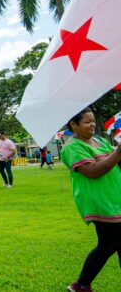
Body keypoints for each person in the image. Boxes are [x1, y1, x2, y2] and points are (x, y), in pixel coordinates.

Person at [61, 108, 121, 292]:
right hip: (100, 203)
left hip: (115, 198)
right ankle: (80, 285)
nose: (93, 124)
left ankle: (80, 285)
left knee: (107, 246)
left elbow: (116, 162)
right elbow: (93, 171)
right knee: (111, 244)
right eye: (87, 121)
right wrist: (118, 152)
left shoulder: (100, 141)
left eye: (93, 120)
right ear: (74, 125)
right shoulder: (71, 147)